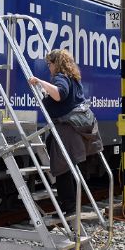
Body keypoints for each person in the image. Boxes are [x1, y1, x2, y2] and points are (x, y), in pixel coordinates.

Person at [28, 49, 103, 214]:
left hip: (66, 130)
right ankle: (72, 206)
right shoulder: (74, 78)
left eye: (50, 64)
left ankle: (68, 208)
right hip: (75, 130)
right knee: (72, 168)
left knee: (62, 169)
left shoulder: (60, 78)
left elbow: (60, 94)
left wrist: (39, 81)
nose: (49, 67)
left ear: (57, 64)